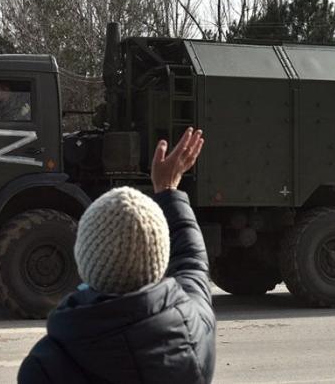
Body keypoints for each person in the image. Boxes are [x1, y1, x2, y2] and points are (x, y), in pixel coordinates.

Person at [18, 127, 215, 384]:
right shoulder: (194, 330)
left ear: (84, 257)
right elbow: (192, 261)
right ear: (160, 256)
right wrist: (168, 190)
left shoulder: (46, 364)